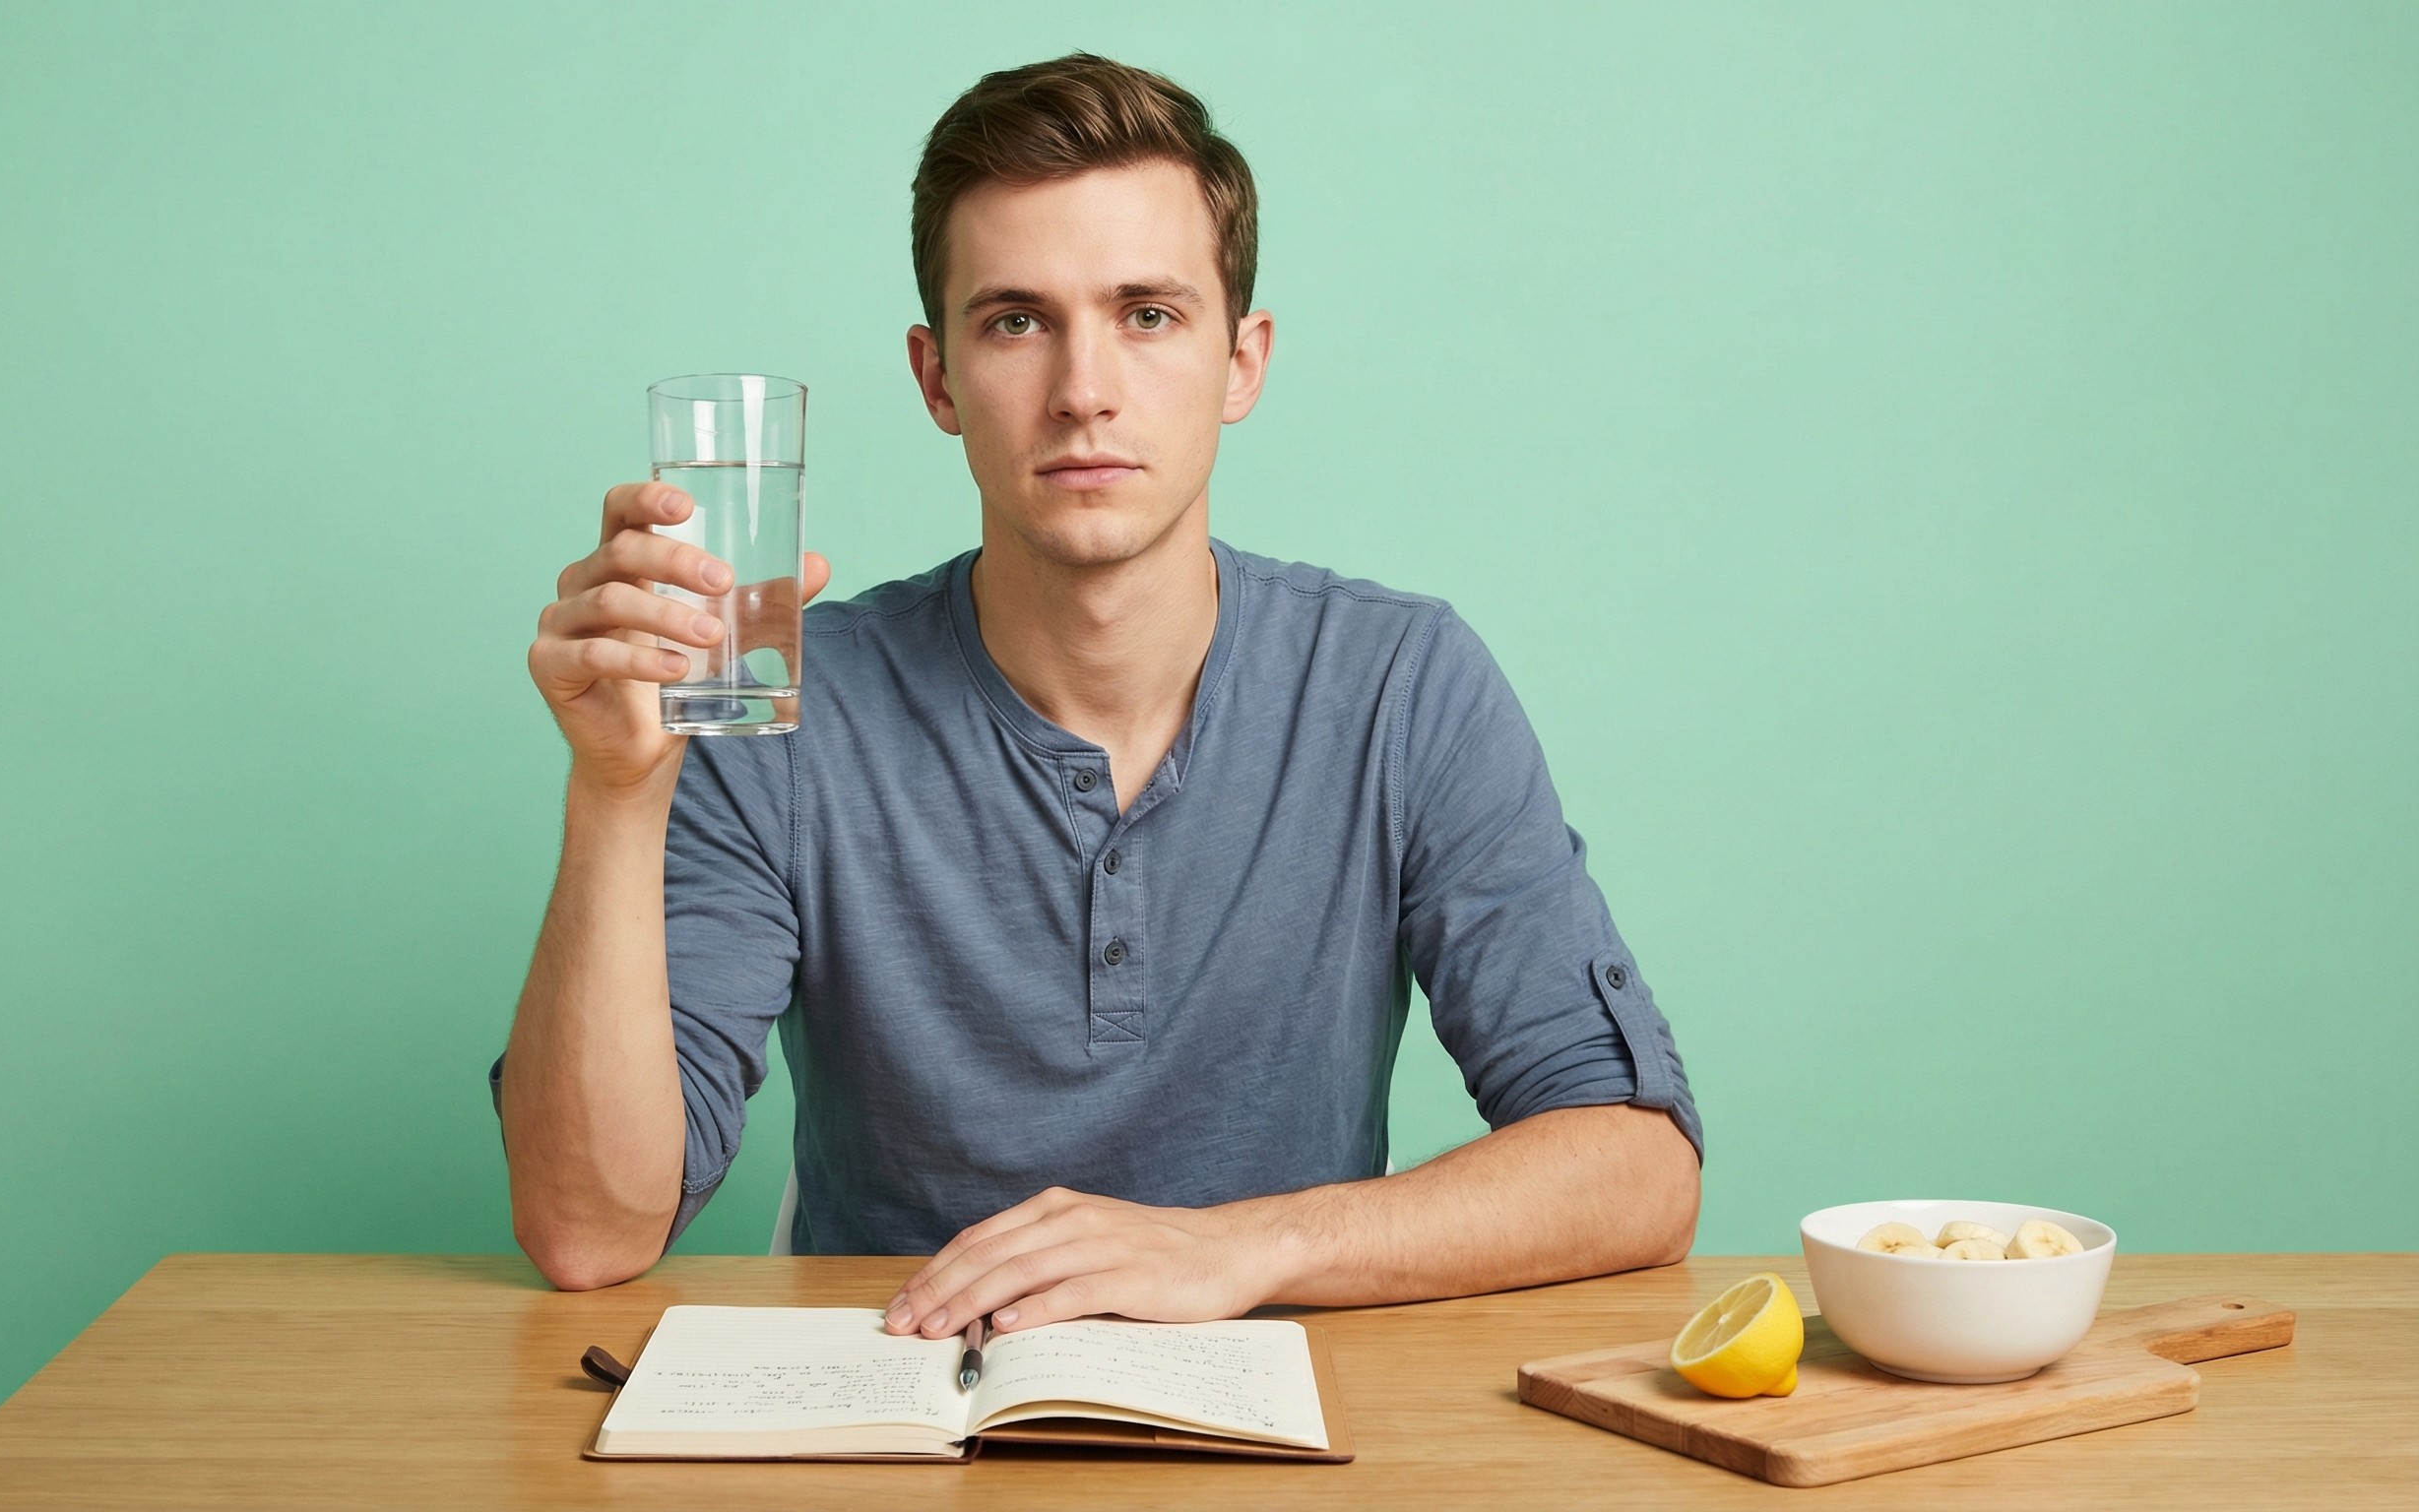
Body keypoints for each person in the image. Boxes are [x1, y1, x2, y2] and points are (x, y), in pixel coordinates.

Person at [496, 53, 1701, 1343]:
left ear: (1243, 361)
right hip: (900, 1408)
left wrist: (1237, 1248)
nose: (1084, 391)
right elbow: (590, 1229)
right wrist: (616, 794)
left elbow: (1638, 1167)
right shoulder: (784, 695)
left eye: (1148, 314)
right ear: (937, 378)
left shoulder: (1400, 685)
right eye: (1017, 320)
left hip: (1282, 1418)